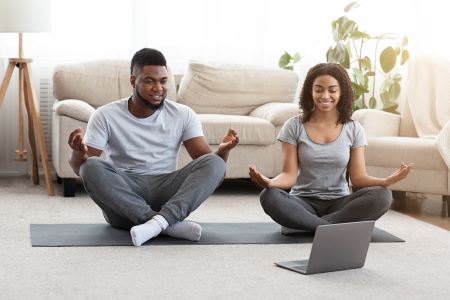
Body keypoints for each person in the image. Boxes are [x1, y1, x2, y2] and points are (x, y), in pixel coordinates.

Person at [68, 48, 239, 246]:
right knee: (91, 166)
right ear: (133, 81)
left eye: (163, 81)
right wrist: (77, 152)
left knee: (216, 163)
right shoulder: (105, 115)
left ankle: (156, 223)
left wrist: (223, 152)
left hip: (167, 192)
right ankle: (167, 224)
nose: (158, 88)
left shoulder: (183, 114)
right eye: (150, 81)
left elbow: (207, 165)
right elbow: (80, 168)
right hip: (124, 200)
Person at [249, 63, 411, 233]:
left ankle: (309, 225)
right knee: (269, 196)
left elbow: (357, 178)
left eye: (332, 90)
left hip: (339, 203)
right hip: (303, 202)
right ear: (310, 92)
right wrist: (270, 182)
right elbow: (289, 176)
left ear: (342, 92)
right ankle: (329, 228)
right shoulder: (293, 126)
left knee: (383, 196)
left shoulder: (354, 129)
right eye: (319, 90)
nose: (325, 96)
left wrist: (386, 182)